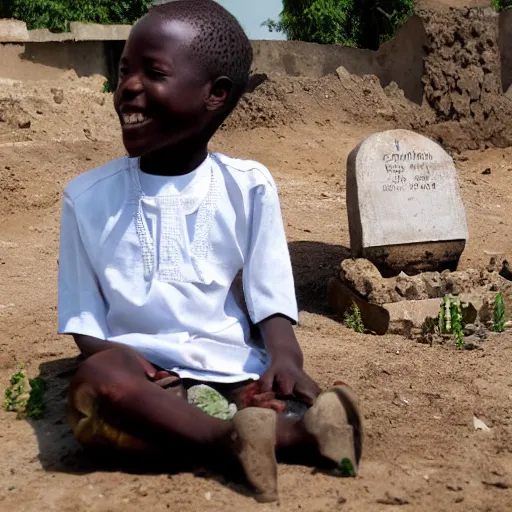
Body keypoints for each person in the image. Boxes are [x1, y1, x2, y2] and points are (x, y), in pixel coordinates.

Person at [58, 0, 362, 502]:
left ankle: (249, 429)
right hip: (142, 379)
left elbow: (270, 296)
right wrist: (136, 367)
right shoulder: (86, 197)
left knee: (251, 399)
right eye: (123, 72)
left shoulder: (248, 185)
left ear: (215, 95)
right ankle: (275, 438)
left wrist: (285, 358)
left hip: (234, 368)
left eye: (152, 72)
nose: (127, 88)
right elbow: (86, 326)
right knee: (97, 386)